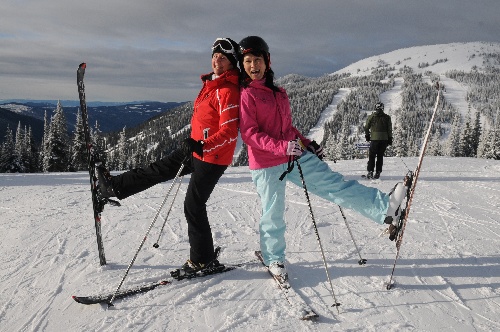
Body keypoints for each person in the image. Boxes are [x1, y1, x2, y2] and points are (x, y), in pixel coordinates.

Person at [237, 36, 408, 282]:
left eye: (258, 60)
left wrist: (307, 143)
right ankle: (273, 257)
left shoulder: (278, 93)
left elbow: (287, 128)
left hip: (293, 155)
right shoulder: (247, 95)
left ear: (268, 61)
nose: (254, 66)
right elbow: (250, 135)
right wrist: (282, 147)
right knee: (272, 212)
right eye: (248, 61)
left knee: (335, 185)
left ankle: (386, 209)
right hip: (266, 164)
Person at [96, 37, 241, 275]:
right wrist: (197, 144)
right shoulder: (212, 85)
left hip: (212, 157)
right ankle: (114, 187)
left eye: (223, 57)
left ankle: (203, 260)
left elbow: (229, 132)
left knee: (193, 206)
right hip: (197, 149)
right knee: (158, 169)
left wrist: (203, 145)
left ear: (232, 63)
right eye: (215, 55)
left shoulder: (228, 90)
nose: (217, 60)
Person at [364, 102, 393, 179]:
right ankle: (378, 172)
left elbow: (366, 127)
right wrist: (390, 138)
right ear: (382, 108)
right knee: (380, 156)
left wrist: (367, 136)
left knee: (372, 155)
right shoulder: (387, 117)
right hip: (384, 139)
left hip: (374, 139)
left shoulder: (372, 116)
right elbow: (389, 129)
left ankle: (370, 171)